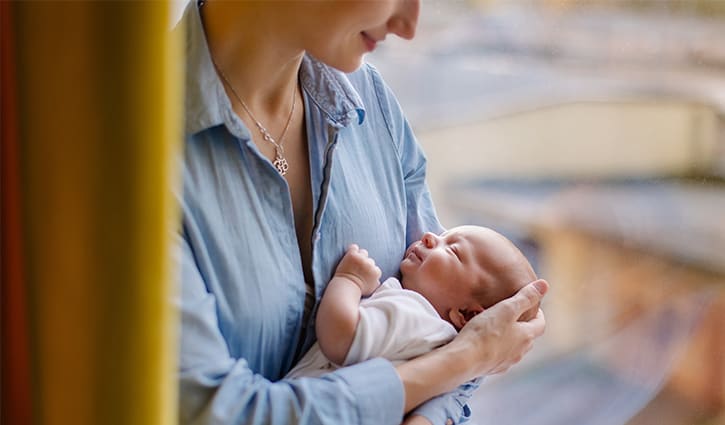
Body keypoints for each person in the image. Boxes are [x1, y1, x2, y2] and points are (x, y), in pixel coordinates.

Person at [175, 1, 548, 424]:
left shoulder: (372, 106)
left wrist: (437, 402)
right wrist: (465, 360)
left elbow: (462, 318)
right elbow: (216, 415)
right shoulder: (128, 159)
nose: (408, 26)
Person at [286, 225, 542, 378]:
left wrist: (349, 279)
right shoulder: (441, 343)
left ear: (467, 315)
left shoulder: (415, 316)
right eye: (443, 234)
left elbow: (341, 338)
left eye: (452, 250)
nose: (429, 236)